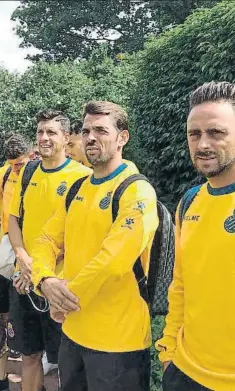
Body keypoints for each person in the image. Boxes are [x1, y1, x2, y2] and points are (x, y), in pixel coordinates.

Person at [31, 101, 158, 391]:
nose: (90, 137)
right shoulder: (79, 187)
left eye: (101, 130)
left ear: (122, 137)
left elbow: (112, 260)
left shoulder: (137, 191)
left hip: (118, 342)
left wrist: (63, 299)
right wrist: (45, 279)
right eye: (86, 130)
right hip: (73, 334)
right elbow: (46, 240)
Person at [156, 81, 235, 391]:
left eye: (216, 133)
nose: (202, 144)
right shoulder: (188, 202)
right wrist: (168, 351)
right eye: (195, 134)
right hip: (182, 372)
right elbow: (180, 284)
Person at [8, 110, 92, 391]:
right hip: (25, 279)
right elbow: (13, 220)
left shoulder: (83, 176)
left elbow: (83, 236)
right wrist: (22, 260)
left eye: (52, 132)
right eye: (41, 132)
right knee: (29, 356)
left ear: (66, 138)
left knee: (65, 362)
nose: (44, 138)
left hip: (62, 284)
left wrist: (46, 273)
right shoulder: (28, 171)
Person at [0, 133, 32, 391]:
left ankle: (30, 381)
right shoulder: (3, 174)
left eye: (20, 165)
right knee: (3, 316)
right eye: (12, 165)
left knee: (30, 324)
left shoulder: (42, 174)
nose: (16, 170)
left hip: (34, 259)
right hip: (6, 259)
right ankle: (0, 378)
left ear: (32, 155)